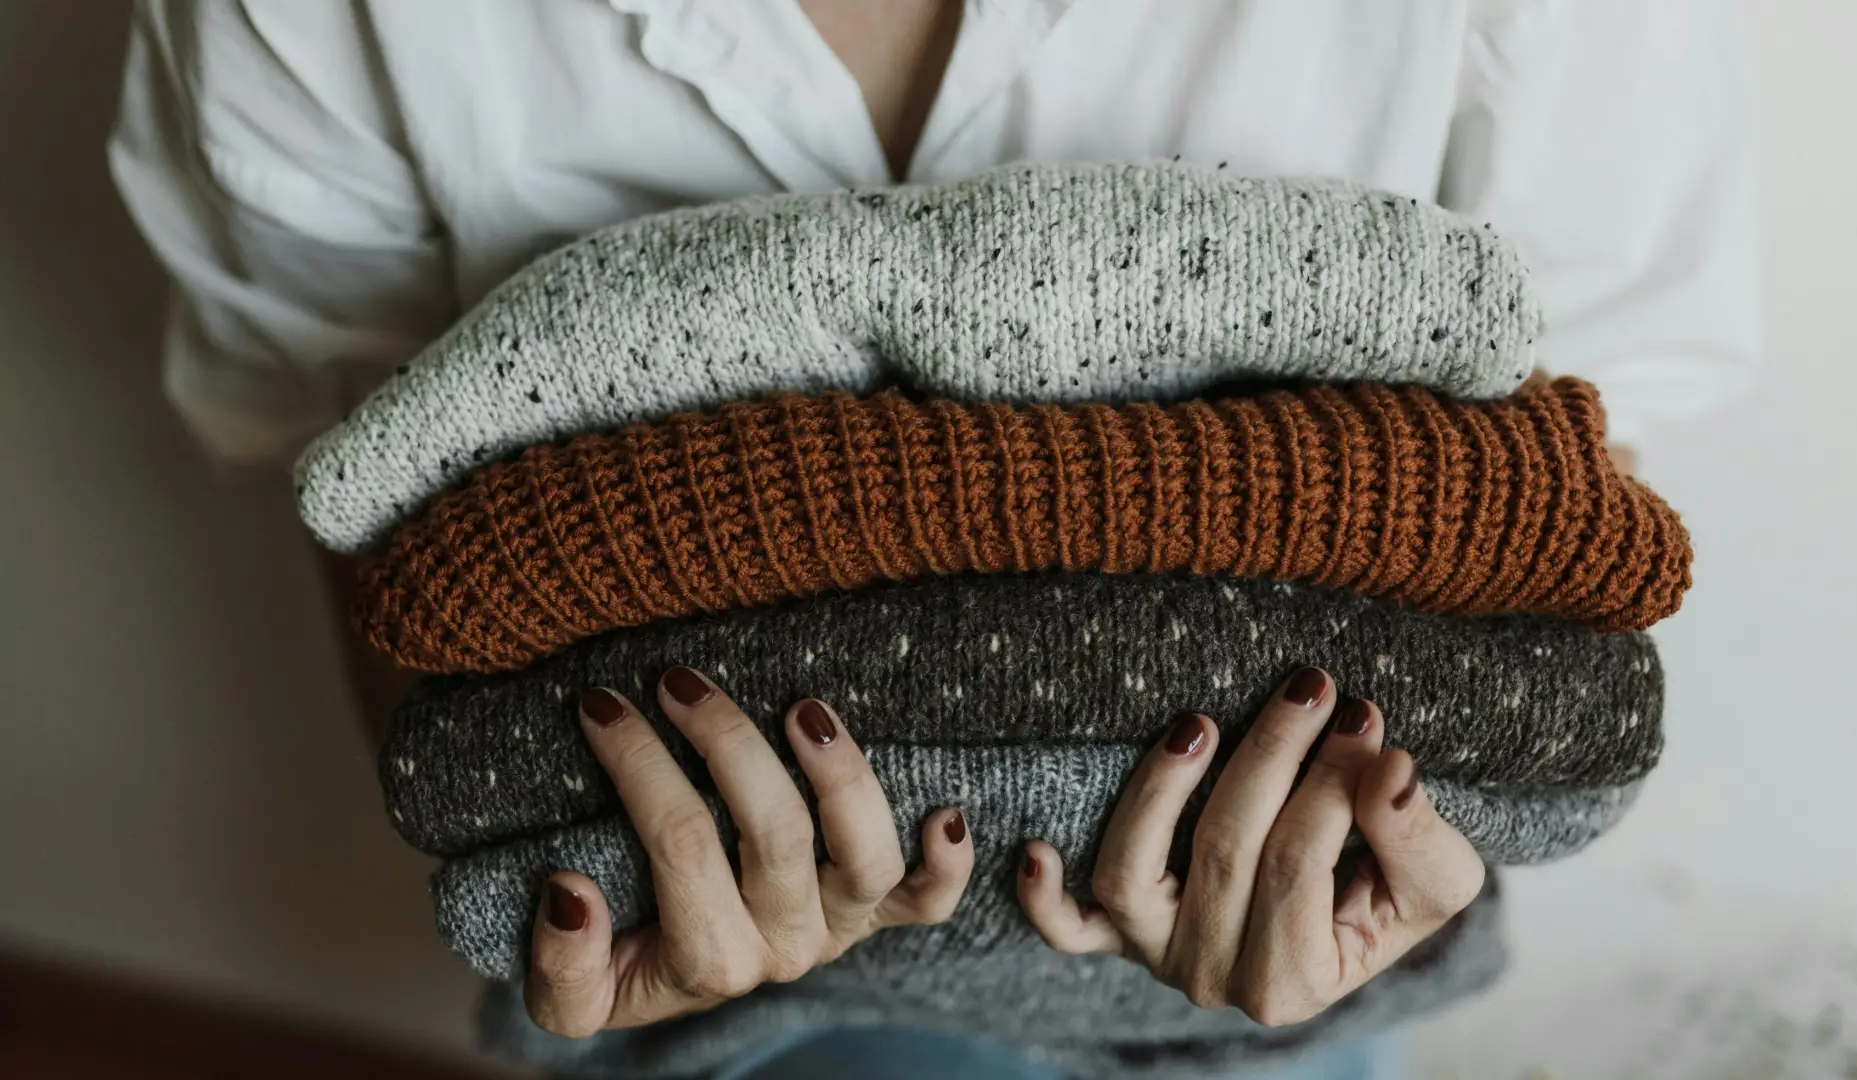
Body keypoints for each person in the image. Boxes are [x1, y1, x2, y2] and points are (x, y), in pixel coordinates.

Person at [107, 2, 1758, 1076]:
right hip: (727, 1012)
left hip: (1294, 973)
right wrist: (591, 892)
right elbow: (397, 576)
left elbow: (1570, 513)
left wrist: (1409, 855)